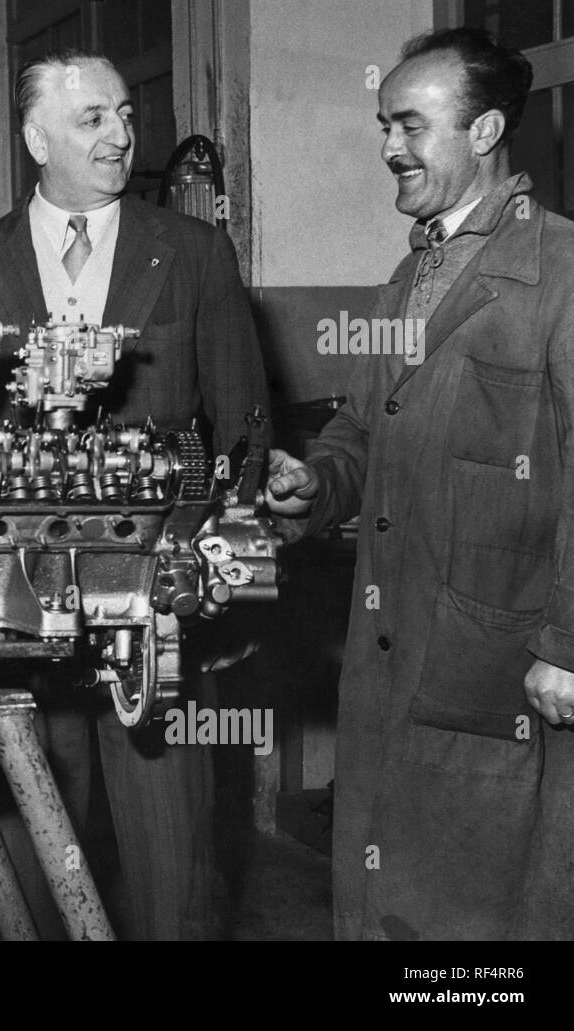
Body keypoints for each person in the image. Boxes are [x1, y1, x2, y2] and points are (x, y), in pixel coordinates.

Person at [0, 50, 270, 939]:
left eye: (124, 114)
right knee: (38, 870)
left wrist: (218, 566)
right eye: (92, 119)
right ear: (37, 138)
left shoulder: (193, 252)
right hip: (14, 623)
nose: (120, 135)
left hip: (157, 620)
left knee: (173, 876)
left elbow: (244, 428)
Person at [267, 27, 574, 940]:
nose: (389, 146)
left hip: (501, 662)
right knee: (395, 901)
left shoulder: (560, 269)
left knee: (488, 912)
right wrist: (317, 481)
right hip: (393, 644)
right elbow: (365, 425)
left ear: (483, 132)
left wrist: (568, 639)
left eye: (409, 123)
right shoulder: (408, 276)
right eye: (382, 123)